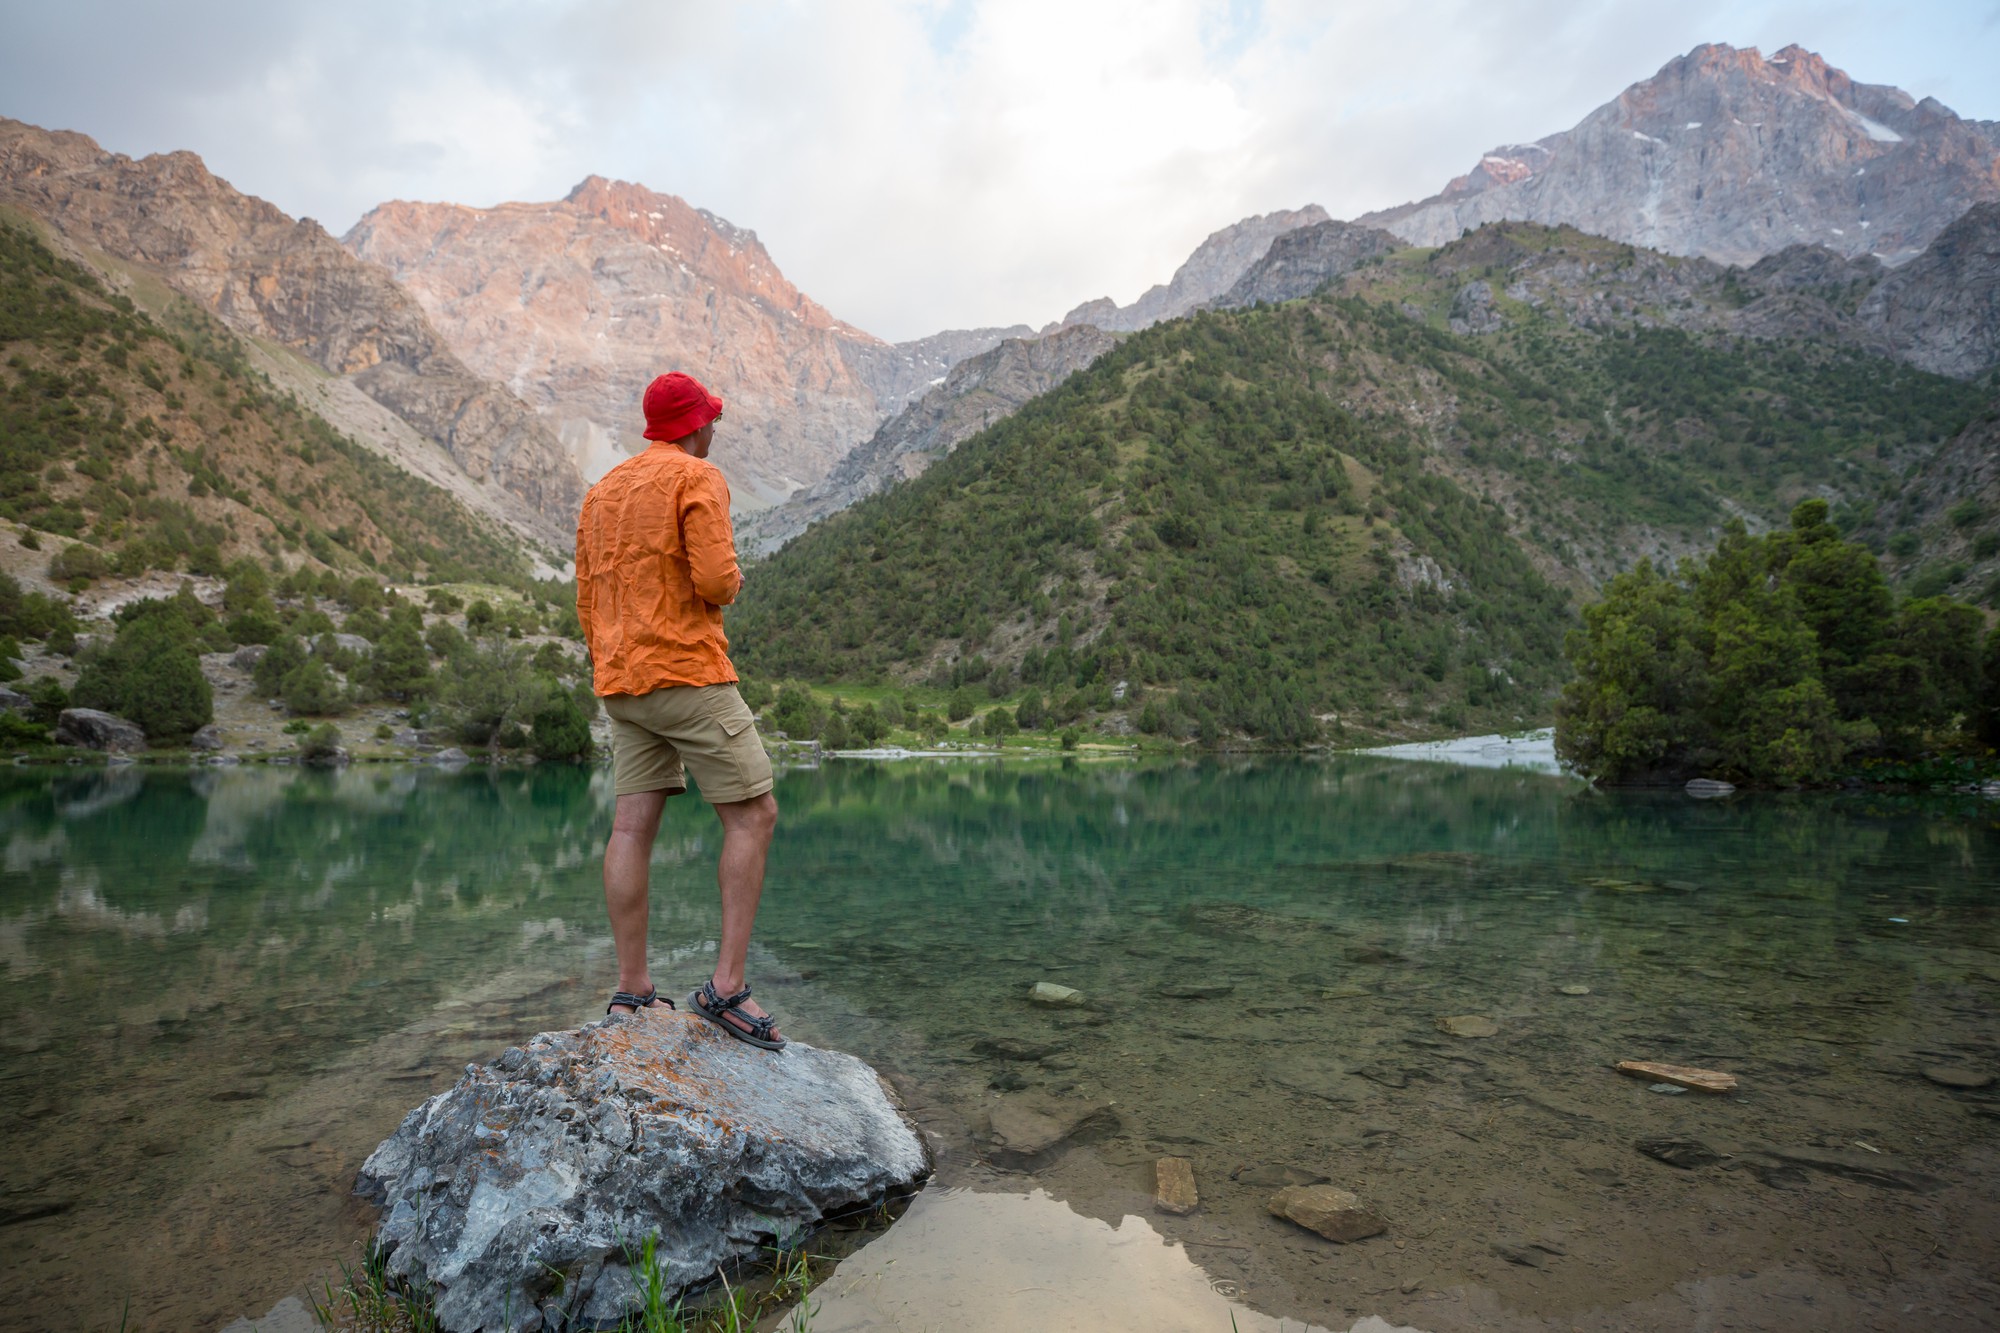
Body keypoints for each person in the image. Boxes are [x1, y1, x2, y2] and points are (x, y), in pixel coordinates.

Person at [574, 370, 785, 1050]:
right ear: (695, 424)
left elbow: (586, 595)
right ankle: (725, 988)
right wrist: (734, 579)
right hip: (686, 672)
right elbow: (718, 579)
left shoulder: (601, 492)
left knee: (632, 827)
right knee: (753, 813)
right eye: (710, 419)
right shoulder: (698, 478)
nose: (713, 428)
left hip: (621, 682)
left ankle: (631, 990)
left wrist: (612, 661)